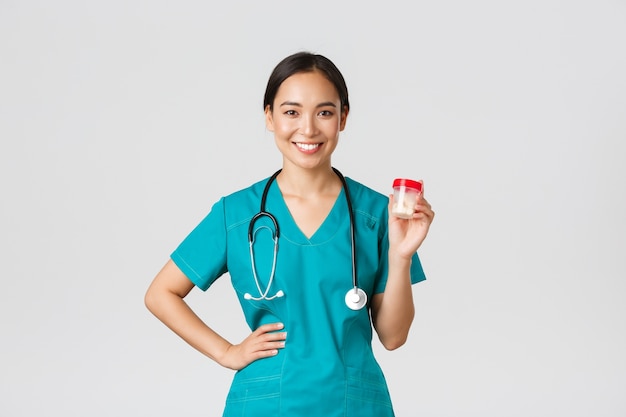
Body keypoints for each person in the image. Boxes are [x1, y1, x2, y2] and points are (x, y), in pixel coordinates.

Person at [144, 51, 435, 416]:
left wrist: (401, 255)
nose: (309, 129)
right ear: (269, 116)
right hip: (266, 403)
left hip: (354, 404)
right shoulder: (236, 214)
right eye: (291, 111)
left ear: (343, 117)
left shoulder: (379, 214)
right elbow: (160, 294)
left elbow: (394, 337)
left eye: (325, 112)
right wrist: (226, 352)